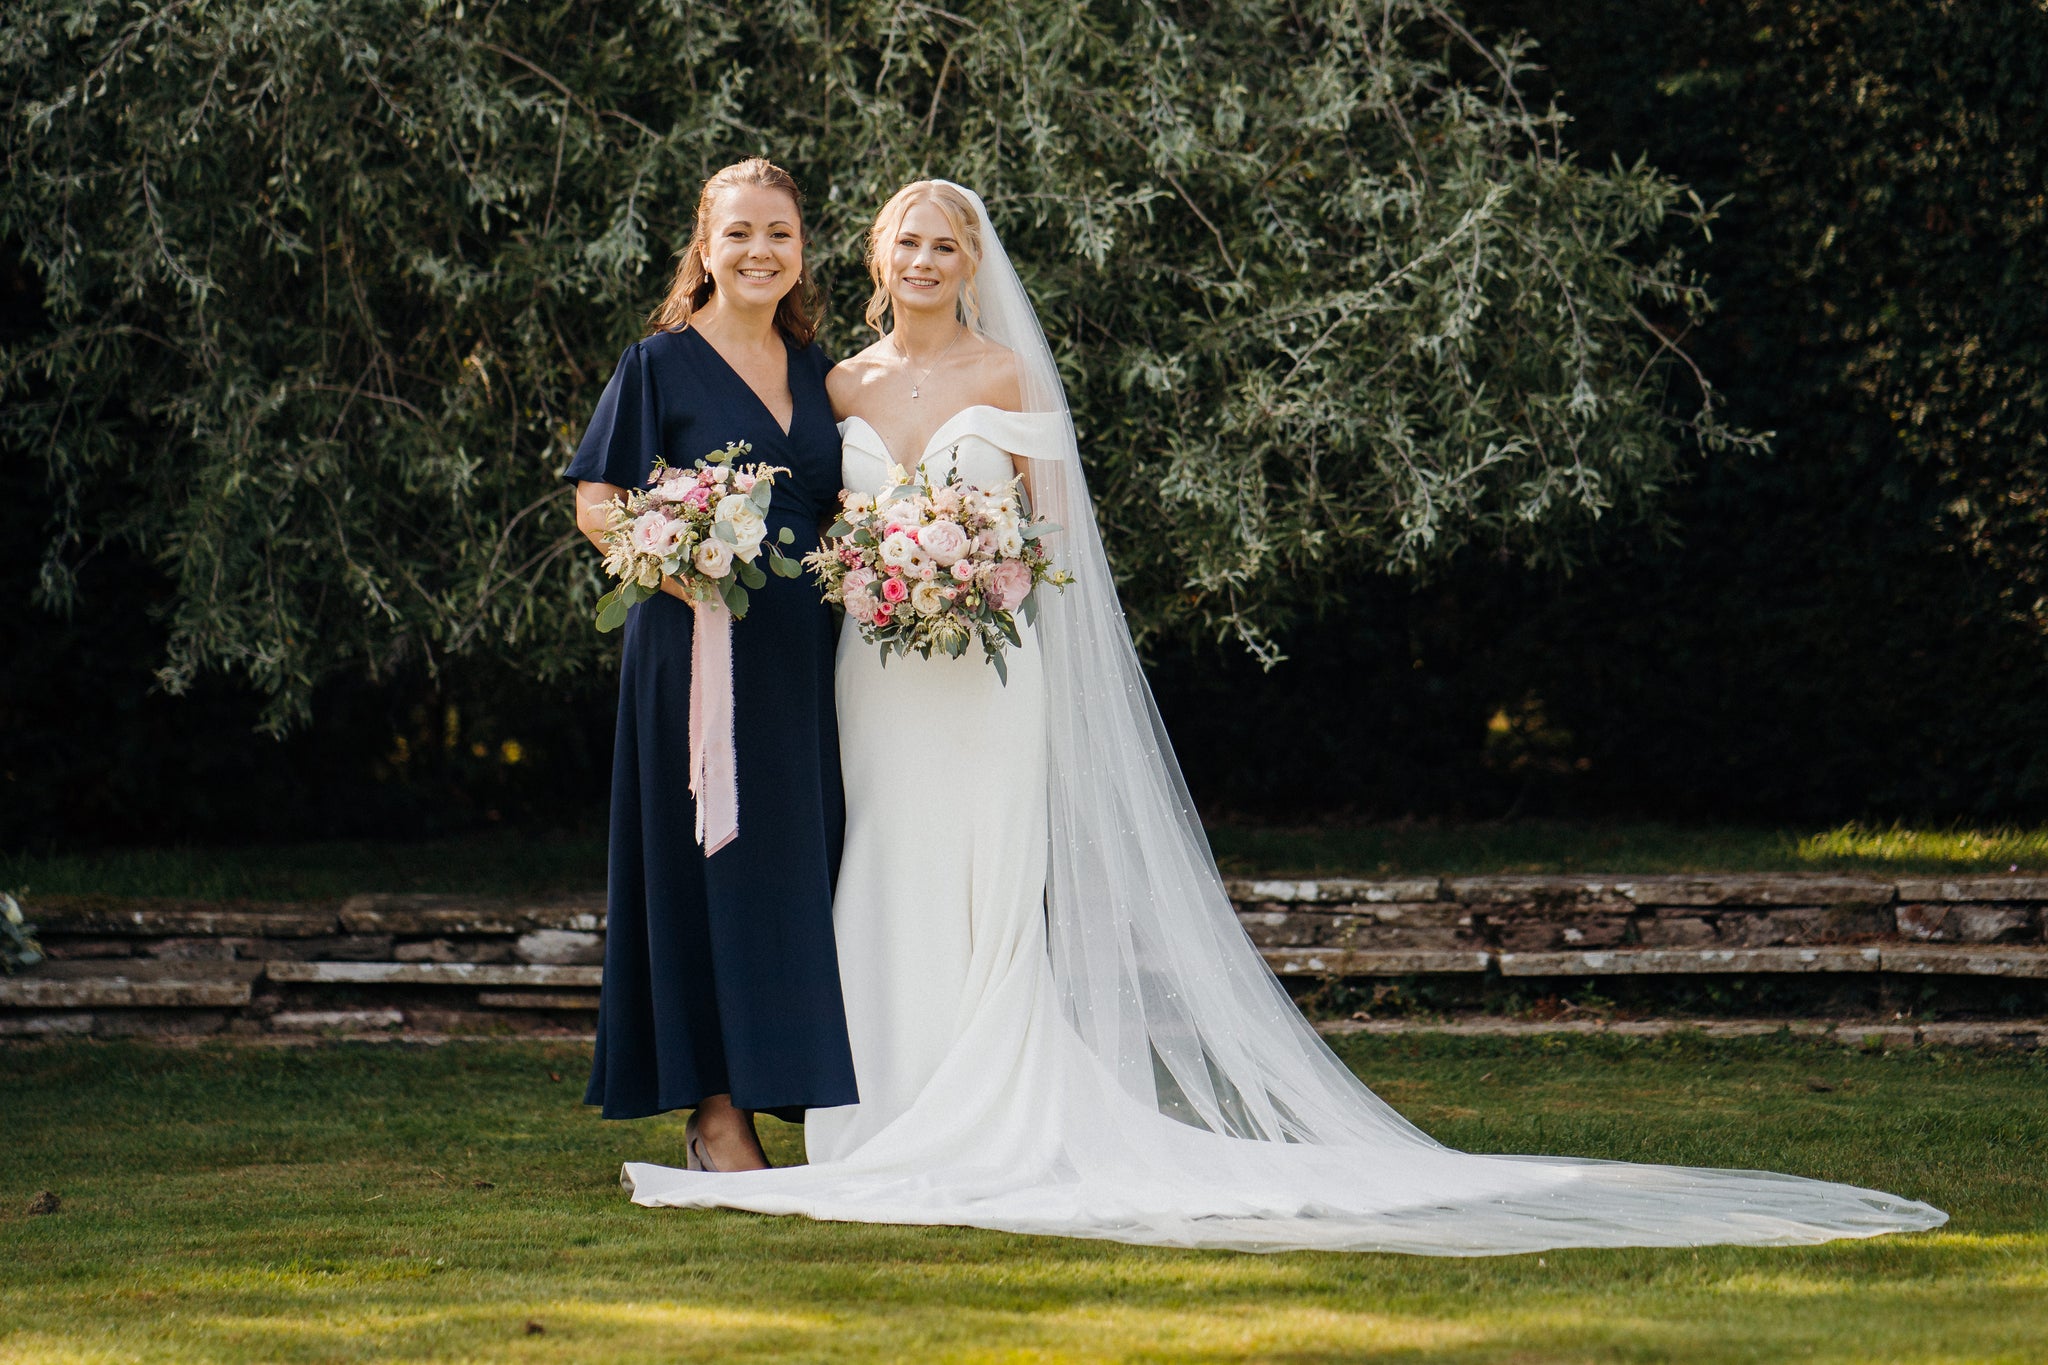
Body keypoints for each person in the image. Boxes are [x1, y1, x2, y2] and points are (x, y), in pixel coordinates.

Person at [614, 180, 1948, 1254]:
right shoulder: (832, 386)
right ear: (874, 254)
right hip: (879, 674)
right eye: (905, 238)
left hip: (983, 668)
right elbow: (828, 529)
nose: (923, 255)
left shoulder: (1013, 377)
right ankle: (876, 1121)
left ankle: (992, 1106)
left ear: (971, 257)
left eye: (945, 240)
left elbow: (1056, 549)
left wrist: (976, 565)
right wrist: (876, 573)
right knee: (881, 871)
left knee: (981, 877)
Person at [566, 158, 857, 1174]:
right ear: (704, 245)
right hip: (693, 657)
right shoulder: (654, 365)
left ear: (801, 250)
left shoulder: (825, 373)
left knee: (795, 868)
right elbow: (598, 501)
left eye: (777, 232)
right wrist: (667, 559)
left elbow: (846, 506)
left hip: (803, 665)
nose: (758, 251)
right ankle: (715, 1111)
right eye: (737, 232)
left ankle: (801, 1090)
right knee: (705, 868)